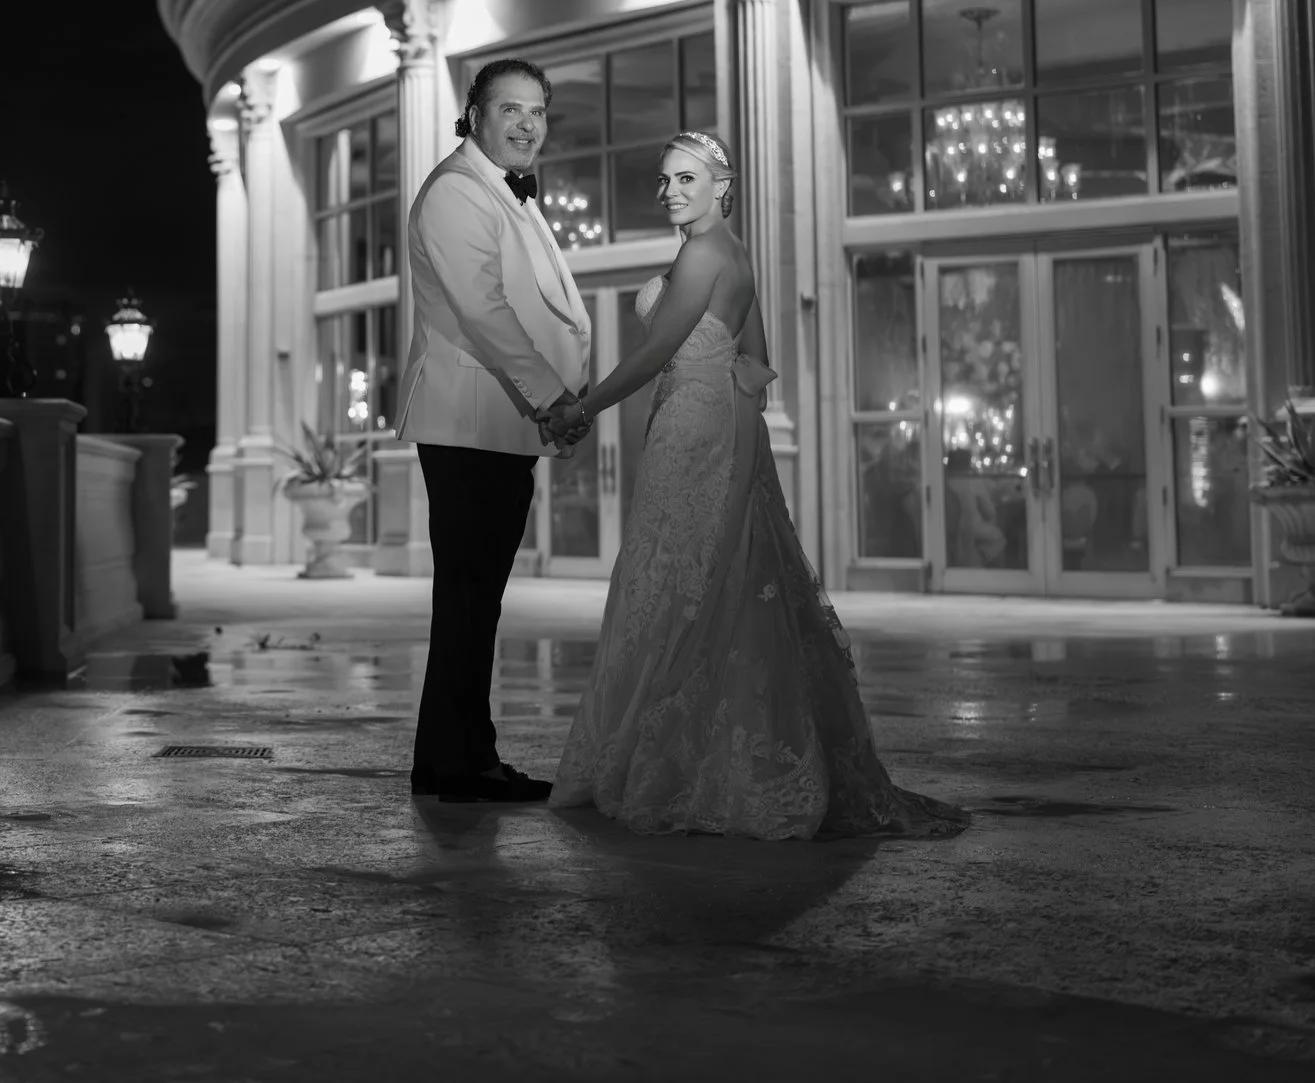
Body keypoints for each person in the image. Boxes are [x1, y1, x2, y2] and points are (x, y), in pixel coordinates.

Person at [542, 131, 966, 839]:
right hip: (715, 423)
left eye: (686, 179)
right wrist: (739, 438)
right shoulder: (733, 253)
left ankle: (683, 763)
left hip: (691, 430)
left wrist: (582, 406)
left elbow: (654, 353)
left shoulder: (705, 253)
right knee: (712, 579)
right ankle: (720, 751)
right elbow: (759, 363)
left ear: (722, 185)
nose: (670, 190)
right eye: (665, 179)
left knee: (678, 582)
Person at [398, 59, 593, 804]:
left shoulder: (501, 191)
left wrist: (559, 390)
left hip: (498, 424)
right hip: (470, 421)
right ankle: (457, 763)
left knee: (477, 601)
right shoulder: (456, 191)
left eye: (537, 111)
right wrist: (552, 397)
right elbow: (484, 313)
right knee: (470, 599)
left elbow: (540, 305)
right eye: (508, 109)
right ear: (472, 114)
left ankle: (456, 756)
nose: (525, 124)